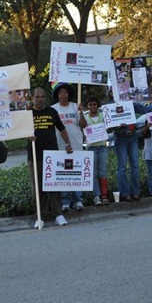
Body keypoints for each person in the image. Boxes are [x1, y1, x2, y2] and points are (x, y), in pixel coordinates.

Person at [28, 87, 73, 229]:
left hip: (51, 155)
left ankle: (58, 214)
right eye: (37, 97)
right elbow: (19, 132)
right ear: (32, 98)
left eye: (42, 97)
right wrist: (27, 136)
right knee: (38, 187)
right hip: (35, 155)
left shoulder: (52, 112)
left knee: (54, 186)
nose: (40, 99)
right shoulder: (27, 114)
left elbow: (62, 128)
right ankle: (40, 216)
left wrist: (68, 144)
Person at [113, 98, 152, 202]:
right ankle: (125, 194)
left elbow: (144, 109)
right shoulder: (112, 105)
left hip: (132, 137)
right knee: (122, 166)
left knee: (135, 166)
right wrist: (116, 125)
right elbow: (109, 125)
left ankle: (135, 192)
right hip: (120, 138)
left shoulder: (132, 104)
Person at [51, 83, 85, 211]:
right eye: (60, 92)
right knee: (63, 173)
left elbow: (83, 125)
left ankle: (78, 200)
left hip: (76, 144)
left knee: (77, 172)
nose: (63, 94)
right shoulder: (53, 109)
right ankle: (65, 201)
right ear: (57, 95)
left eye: (65, 92)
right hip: (61, 146)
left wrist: (81, 113)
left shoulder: (76, 107)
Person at [79, 95, 109, 205]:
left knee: (103, 172)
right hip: (90, 147)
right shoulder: (85, 116)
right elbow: (82, 126)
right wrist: (81, 112)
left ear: (98, 105)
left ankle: (104, 195)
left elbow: (109, 126)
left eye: (94, 104)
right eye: (90, 104)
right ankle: (96, 196)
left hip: (102, 147)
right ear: (87, 106)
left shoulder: (103, 116)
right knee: (93, 173)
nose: (92, 106)